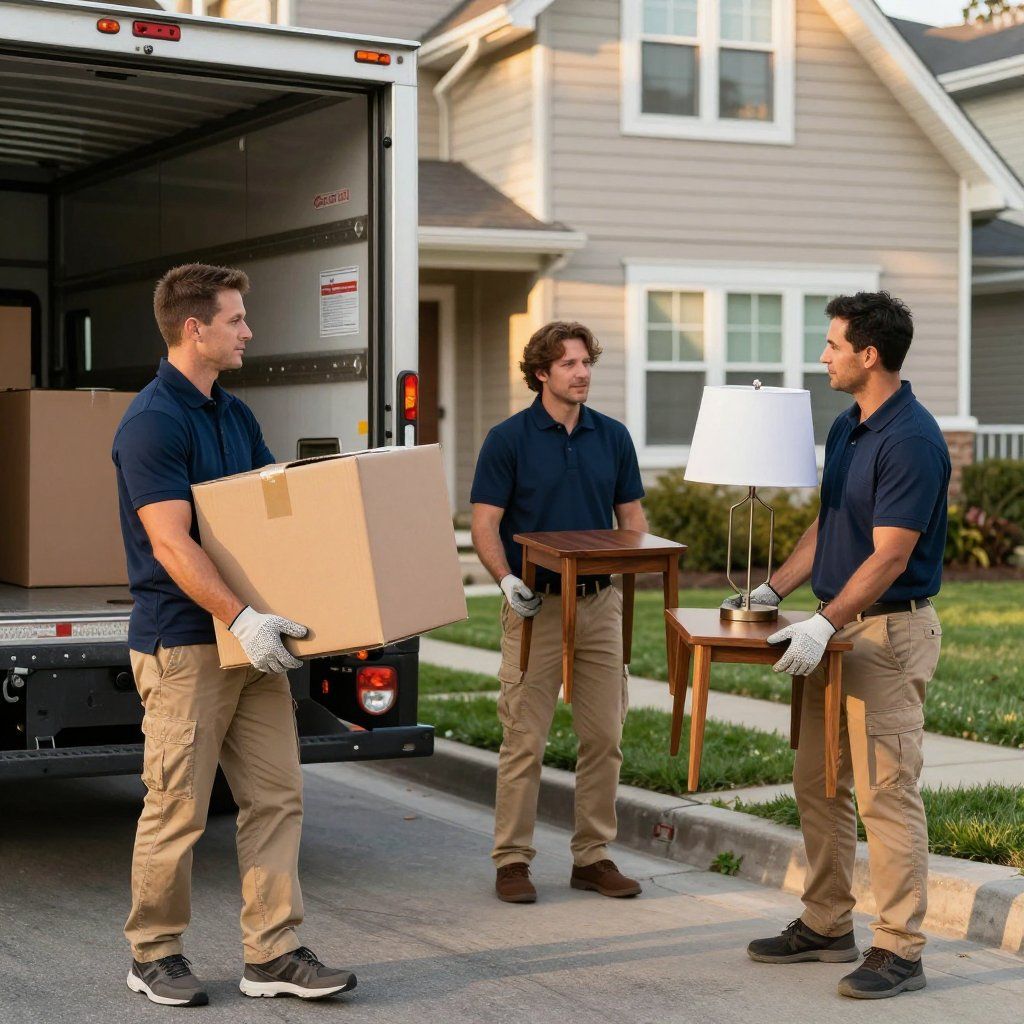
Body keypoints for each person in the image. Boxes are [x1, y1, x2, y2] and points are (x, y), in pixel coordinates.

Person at [113, 263, 356, 1007]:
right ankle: (153, 952)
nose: (249, 330)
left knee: (277, 797)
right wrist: (242, 620)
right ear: (196, 329)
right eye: (237, 319)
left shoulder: (235, 414)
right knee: (178, 805)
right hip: (188, 642)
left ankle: (272, 952)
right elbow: (172, 543)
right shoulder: (153, 421)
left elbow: (267, 523)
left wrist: (324, 608)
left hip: (253, 643)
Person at [730, 292, 948, 1000]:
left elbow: (889, 555)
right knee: (819, 782)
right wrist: (773, 593)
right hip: (836, 628)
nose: (822, 356)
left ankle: (901, 948)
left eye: (831, 345)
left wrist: (828, 621)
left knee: (886, 793)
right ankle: (827, 924)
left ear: (869, 354)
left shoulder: (911, 438)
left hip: (886, 632)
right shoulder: (849, 427)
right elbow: (829, 524)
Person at [471, 320, 649, 904]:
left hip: (600, 604)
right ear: (541, 373)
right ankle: (512, 860)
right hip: (534, 606)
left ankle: (592, 856)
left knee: (604, 736)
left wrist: (626, 579)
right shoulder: (508, 438)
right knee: (525, 737)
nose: (582, 374)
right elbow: (484, 524)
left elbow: (633, 521)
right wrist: (505, 582)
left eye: (587, 363)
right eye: (569, 364)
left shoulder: (613, 437)